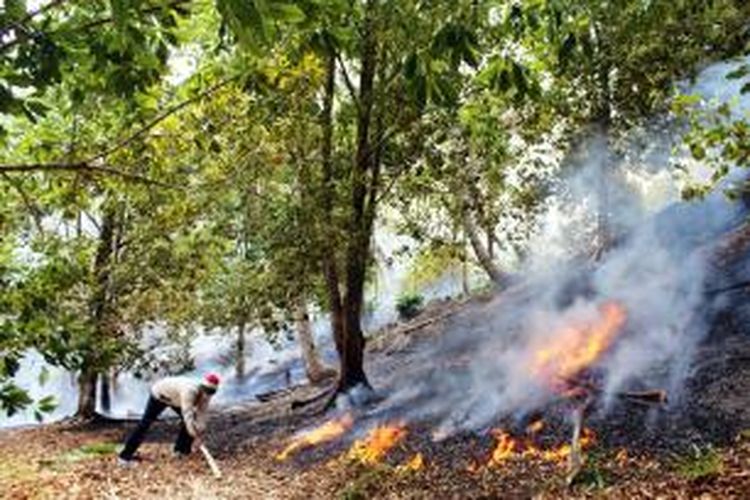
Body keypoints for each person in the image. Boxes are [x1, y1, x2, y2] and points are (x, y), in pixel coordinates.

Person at [118, 373, 220, 466]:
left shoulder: (207, 395)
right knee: (145, 423)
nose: (208, 394)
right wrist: (195, 434)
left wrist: (200, 429)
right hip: (160, 394)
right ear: (202, 386)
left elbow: (202, 413)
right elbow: (187, 414)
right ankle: (124, 457)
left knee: (189, 423)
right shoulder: (190, 391)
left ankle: (181, 451)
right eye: (206, 390)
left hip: (176, 399)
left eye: (212, 392)